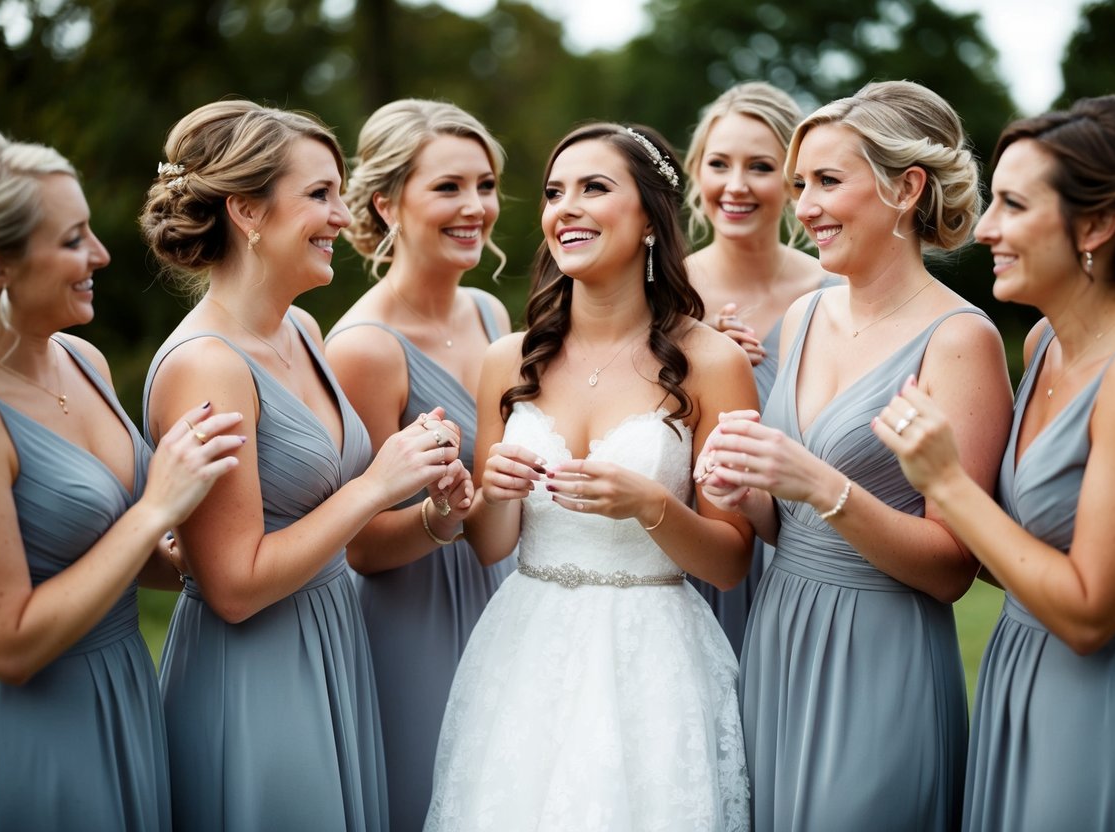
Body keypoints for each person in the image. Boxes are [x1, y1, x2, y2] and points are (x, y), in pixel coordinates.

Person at [696, 80, 1013, 830]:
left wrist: (815, 482)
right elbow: (788, 521)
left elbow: (950, 569)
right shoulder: (804, 313)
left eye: (826, 182)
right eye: (800, 182)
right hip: (776, 638)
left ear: (905, 189)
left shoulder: (959, 341)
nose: (801, 205)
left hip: (881, 654)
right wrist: (746, 491)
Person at [423, 122, 757, 830]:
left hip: (653, 657)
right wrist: (490, 494)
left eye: (593, 188)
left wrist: (651, 506)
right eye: (553, 193)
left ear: (647, 221)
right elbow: (489, 545)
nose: (564, 208)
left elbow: (731, 562)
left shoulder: (712, 363)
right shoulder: (507, 360)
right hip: (524, 648)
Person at [138, 99, 460, 831]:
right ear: (248, 212)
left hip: (333, 639)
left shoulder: (303, 329)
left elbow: (343, 537)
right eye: (319, 194)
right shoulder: (206, 366)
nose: (343, 217)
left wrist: (439, 515)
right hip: (256, 671)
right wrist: (379, 482)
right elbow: (234, 587)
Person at [874, 94, 1115, 831]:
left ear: (1095, 225)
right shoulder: (1040, 346)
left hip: (1103, 700)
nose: (983, 229)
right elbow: (1003, 558)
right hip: (1016, 676)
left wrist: (944, 481)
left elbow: (1088, 614)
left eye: (1011, 204)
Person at [0, 126, 244, 830]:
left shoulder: (81, 360)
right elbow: (8, 646)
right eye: (72, 239)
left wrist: (226, 550)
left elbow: (119, 558)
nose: (102, 255)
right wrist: (155, 509)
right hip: (30, 729)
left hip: (124, 689)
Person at [323, 99, 515, 832]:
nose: (476, 207)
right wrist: (445, 519)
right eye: (448, 187)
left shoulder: (491, 316)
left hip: (501, 594)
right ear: (385, 202)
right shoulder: (366, 348)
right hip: (414, 615)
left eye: (486, 184)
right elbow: (362, 544)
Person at [682, 81, 839, 656]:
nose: (737, 185)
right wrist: (701, 362)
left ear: (795, 180)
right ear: (697, 172)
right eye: (719, 163)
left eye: (761, 166)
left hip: (807, 553)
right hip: (702, 548)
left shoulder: (835, 293)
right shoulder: (664, 295)